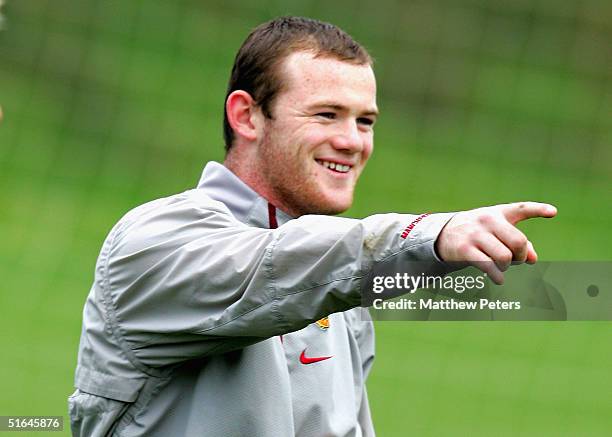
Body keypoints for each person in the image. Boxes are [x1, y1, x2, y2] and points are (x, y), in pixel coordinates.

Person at [69, 16, 556, 436]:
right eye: (327, 114)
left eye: (365, 122)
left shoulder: (342, 283)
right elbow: (273, 270)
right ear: (247, 116)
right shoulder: (156, 242)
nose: (352, 141)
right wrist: (429, 235)